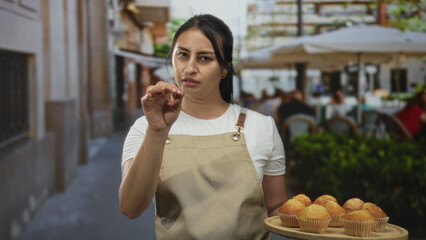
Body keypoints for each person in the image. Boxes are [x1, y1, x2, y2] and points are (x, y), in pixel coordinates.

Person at [119, 14, 287, 240]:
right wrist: (157, 132)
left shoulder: (262, 127)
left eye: (205, 58)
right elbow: (131, 208)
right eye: (182, 55)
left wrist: (318, 223)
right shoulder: (145, 128)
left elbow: (276, 206)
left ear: (225, 68)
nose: (189, 68)